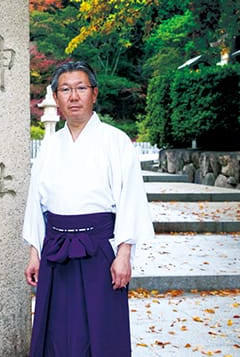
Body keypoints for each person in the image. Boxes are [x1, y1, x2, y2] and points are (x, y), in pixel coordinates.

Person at [23, 60, 154, 357]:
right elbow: (36, 202)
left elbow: (130, 198)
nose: (73, 96)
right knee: (56, 333)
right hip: (56, 249)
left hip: (99, 250)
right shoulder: (50, 145)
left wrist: (124, 254)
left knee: (102, 331)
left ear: (94, 93)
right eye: (65, 90)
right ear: (56, 98)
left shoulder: (116, 142)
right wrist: (35, 251)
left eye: (81, 88)